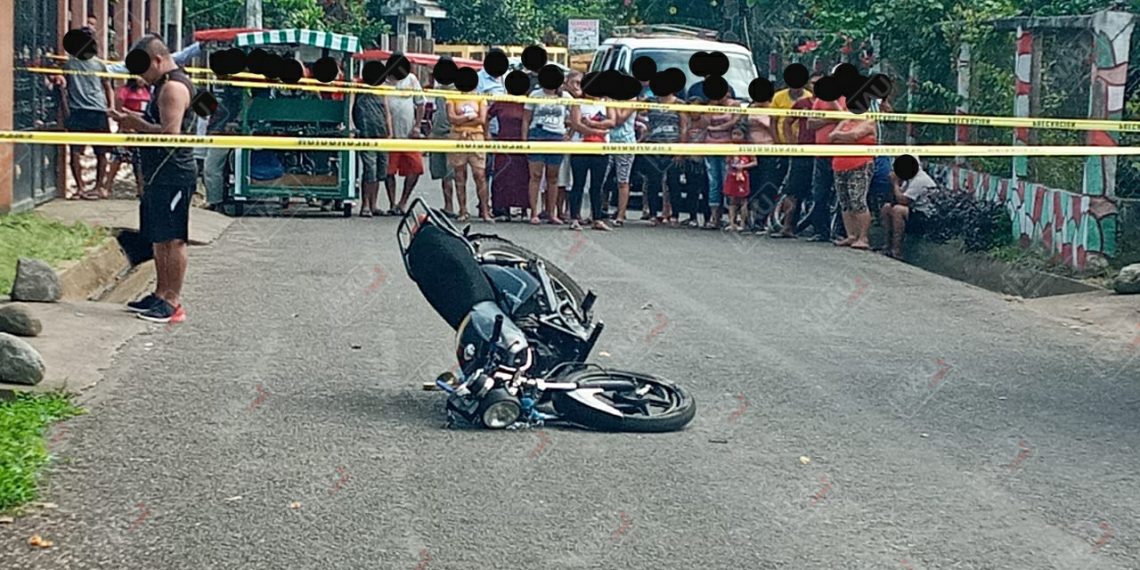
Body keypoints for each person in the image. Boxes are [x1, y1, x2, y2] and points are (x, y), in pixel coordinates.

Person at [113, 35, 197, 324]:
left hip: (173, 172)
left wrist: (136, 123)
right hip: (158, 173)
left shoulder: (172, 88)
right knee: (159, 237)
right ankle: (160, 293)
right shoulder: (163, 85)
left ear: (158, 60)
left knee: (173, 239)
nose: (141, 77)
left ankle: (173, 301)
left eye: (143, 68)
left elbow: (169, 136)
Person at [61, 27, 113, 200]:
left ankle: (97, 187)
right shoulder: (70, 63)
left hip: (97, 110)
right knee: (77, 151)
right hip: (80, 111)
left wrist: (110, 108)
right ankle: (81, 187)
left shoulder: (98, 64)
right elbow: (65, 87)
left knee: (100, 151)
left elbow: (107, 86)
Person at [771, 74, 819, 238]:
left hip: (824, 152)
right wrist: (791, 143)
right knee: (793, 190)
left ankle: (821, 230)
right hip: (803, 151)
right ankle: (788, 227)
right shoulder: (803, 104)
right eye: (813, 83)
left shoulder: (831, 105)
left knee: (821, 191)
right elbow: (786, 121)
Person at [521, 76, 572, 225]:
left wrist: (570, 133)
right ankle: (534, 212)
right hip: (537, 134)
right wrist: (524, 140)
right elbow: (526, 119)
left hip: (557, 136)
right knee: (535, 175)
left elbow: (576, 113)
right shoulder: (535, 95)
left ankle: (552, 213)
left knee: (553, 176)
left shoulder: (566, 96)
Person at [828, 96, 877, 250]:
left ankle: (863, 237)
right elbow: (831, 137)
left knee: (858, 200)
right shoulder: (845, 121)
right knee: (845, 201)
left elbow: (854, 135)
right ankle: (851, 235)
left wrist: (841, 136)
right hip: (840, 164)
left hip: (860, 164)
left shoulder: (869, 121)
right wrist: (843, 137)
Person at [638, 87, 688, 227]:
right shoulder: (651, 101)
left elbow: (684, 127)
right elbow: (636, 110)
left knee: (673, 182)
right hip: (653, 146)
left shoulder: (679, 104)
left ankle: (675, 216)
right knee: (653, 181)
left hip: (672, 146)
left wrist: (680, 150)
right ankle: (653, 214)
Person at [568, 87, 615, 231]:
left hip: (601, 149)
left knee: (597, 185)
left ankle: (597, 218)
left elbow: (612, 122)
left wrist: (592, 124)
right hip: (581, 147)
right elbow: (576, 124)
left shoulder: (607, 102)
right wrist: (597, 131)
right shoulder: (578, 103)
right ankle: (575, 218)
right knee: (578, 184)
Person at [383, 61, 426, 215]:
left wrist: (417, 126)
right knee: (388, 171)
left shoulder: (411, 79)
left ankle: (403, 202)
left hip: (409, 135)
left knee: (416, 168)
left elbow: (421, 103)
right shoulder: (382, 82)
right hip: (390, 136)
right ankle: (392, 203)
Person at [99, 77, 150, 198]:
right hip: (126, 130)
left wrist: (132, 114)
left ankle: (141, 188)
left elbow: (147, 114)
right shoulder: (124, 91)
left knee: (140, 161)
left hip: (141, 131)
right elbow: (118, 112)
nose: (142, 79)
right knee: (117, 158)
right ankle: (107, 186)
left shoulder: (149, 92)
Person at [352, 71, 393, 217]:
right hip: (366, 135)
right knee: (370, 170)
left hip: (381, 136)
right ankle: (365, 205)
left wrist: (390, 132)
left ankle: (374, 204)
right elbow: (352, 109)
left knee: (380, 171)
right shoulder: (360, 89)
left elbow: (387, 112)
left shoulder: (382, 91)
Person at [446, 91, 491, 222]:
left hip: (477, 137)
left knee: (480, 175)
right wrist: (470, 117)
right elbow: (451, 118)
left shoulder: (480, 97)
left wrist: (461, 120)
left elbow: (482, 119)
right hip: (457, 137)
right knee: (459, 175)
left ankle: (485, 211)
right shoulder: (452, 96)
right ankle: (462, 210)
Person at [880, 161, 939, 258]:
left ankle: (896, 250)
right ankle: (886, 246)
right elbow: (894, 199)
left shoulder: (920, 180)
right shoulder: (908, 178)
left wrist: (895, 183)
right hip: (914, 211)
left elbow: (903, 200)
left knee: (898, 210)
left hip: (926, 216)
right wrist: (896, 183)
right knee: (887, 207)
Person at [203, 84, 245, 210]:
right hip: (218, 133)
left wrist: (236, 122)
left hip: (230, 133)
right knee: (212, 168)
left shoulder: (239, 89)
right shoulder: (214, 88)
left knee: (212, 168)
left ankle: (215, 201)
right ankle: (215, 201)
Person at [488, 99, 530, 221]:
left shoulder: (527, 102)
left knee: (522, 176)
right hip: (503, 143)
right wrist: (488, 135)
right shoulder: (501, 102)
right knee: (502, 176)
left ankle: (523, 209)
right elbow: (486, 117)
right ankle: (501, 209)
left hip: (522, 143)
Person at [807, 93, 841, 242]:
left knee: (842, 194)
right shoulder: (821, 99)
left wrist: (832, 114)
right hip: (821, 153)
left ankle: (841, 231)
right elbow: (810, 124)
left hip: (841, 153)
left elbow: (847, 119)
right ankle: (821, 230)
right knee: (820, 193)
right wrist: (831, 118)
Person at [703, 90, 737, 229]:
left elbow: (735, 121)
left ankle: (731, 219)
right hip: (711, 146)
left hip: (727, 147)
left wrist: (716, 127)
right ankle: (715, 218)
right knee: (714, 182)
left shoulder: (735, 105)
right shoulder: (711, 105)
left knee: (727, 182)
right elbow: (704, 122)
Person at [745, 95, 777, 232]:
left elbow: (775, 129)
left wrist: (764, 125)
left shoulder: (773, 109)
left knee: (766, 185)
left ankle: (761, 219)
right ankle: (747, 217)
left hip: (768, 149)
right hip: (751, 150)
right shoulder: (750, 109)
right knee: (751, 185)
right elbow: (742, 129)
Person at [427, 75, 456, 217]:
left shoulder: (458, 90)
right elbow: (434, 113)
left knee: (450, 174)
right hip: (437, 134)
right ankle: (447, 205)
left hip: (452, 134)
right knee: (441, 172)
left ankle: (453, 206)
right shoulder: (437, 91)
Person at [682, 95, 710, 227]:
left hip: (704, 158)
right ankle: (692, 217)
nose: (694, 112)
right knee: (691, 190)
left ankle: (708, 218)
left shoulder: (706, 121)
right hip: (691, 158)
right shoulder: (686, 122)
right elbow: (684, 137)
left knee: (706, 190)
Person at [607, 104, 637, 226]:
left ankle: (620, 215)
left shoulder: (632, 99)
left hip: (626, 143)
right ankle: (596, 214)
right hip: (607, 141)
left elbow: (619, 119)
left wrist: (612, 103)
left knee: (623, 180)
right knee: (600, 179)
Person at [723, 126, 756, 232]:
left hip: (743, 176)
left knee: (743, 200)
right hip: (731, 175)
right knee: (732, 200)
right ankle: (732, 223)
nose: (736, 137)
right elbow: (727, 160)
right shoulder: (729, 146)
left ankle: (742, 223)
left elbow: (755, 162)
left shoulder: (748, 147)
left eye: (738, 134)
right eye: (734, 134)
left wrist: (744, 167)